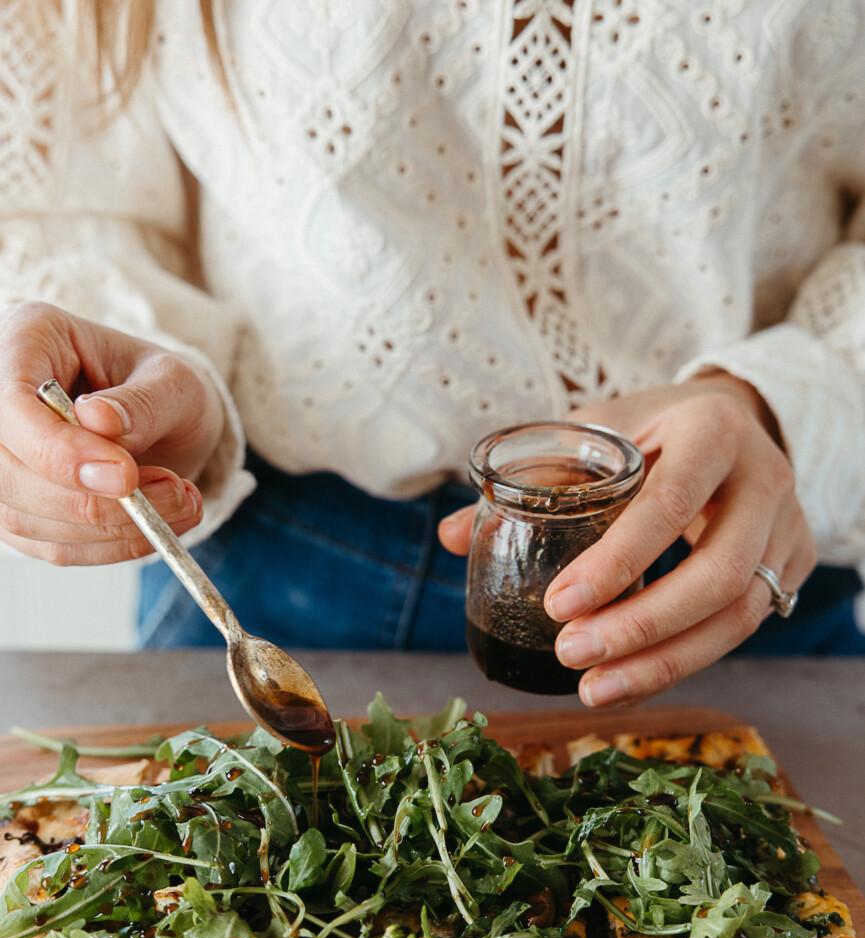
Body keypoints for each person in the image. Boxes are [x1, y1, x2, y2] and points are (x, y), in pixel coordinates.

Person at [0, 1, 863, 709]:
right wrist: (132, 395)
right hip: (281, 563)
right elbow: (66, 203)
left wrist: (788, 397)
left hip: (735, 561)